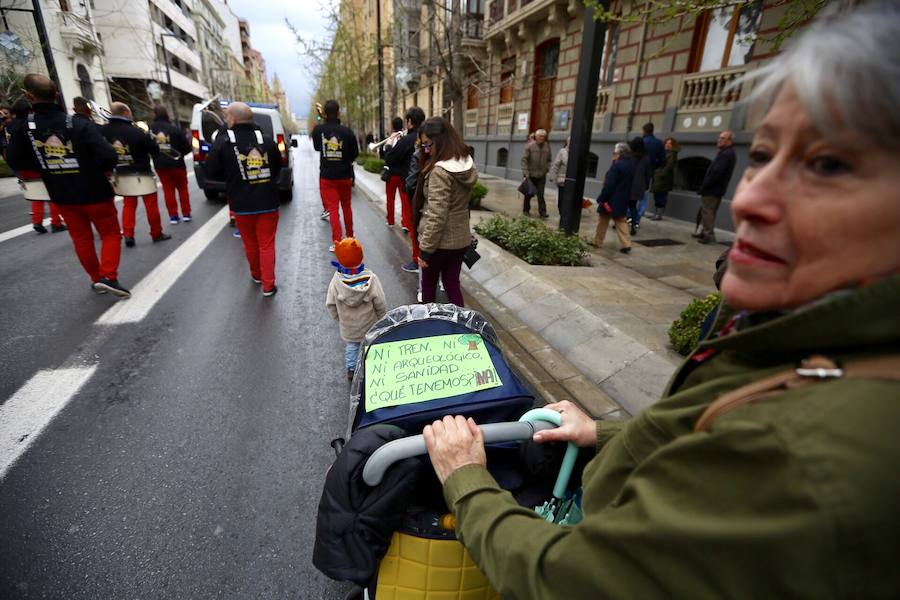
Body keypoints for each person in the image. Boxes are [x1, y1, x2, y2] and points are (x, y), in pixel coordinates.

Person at [422, 5, 900, 598]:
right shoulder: (792, 334)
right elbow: (700, 429)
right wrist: (606, 432)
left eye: (827, 165)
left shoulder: (797, 456)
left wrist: (466, 478)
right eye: (763, 155)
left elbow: (567, 581)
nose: (751, 198)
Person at [6, 74, 128, 297]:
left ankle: (96, 279)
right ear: (57, 95)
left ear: (29, 96)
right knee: (110, 234)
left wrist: (45, 165)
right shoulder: (80, 124)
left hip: (61, 195)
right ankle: (109, 276)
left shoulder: (25, 129)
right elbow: (108, 156)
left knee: (81, 238)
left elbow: (15, 160)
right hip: (96, 192)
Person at [206, 102, 282, 297]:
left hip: (241, 204)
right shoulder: (267, 141)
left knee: (250, 243)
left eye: (226, 117)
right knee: (266, 244)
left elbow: (211, 171)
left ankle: (256, 275)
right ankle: (268, 285)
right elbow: (276, 169)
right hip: (268, 202)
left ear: (232, 119)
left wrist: (233, 179)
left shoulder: (223, 143)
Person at [416, 117, 477, 306]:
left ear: (439, 140)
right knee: (452, 284)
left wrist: (425, 250)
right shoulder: (464, 163)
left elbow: (437, 214)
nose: (427, 149)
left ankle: (430, 328)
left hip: (438, 243)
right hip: (460, 240)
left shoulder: (440, 172)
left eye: (428, 144)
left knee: (428, 289)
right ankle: (460, 328)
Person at [101, 102, 170, 247]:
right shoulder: (137, 131)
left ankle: (128, 234)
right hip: (142, 173)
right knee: (151, 205)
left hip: (120, 173)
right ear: (126, 113)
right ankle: (156, 233)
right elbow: (155, 150)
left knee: (128, 205)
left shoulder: (103, 131)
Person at [325, 237, 387, 381]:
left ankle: (351, 369)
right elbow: (380, 301)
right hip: (369, 323)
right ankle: (371, 366)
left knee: (352, 347)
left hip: (348, 325)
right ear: (360, 256)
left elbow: (330, 303)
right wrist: (382, 316)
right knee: (369, 345)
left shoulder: (336, 282)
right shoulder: (371, 279)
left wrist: (338, 317)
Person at [5, 98, 66, 234]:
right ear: (30, 110)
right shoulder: (30, 125)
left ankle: (37, 222)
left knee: (36, 193)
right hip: (33, 164)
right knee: (52, 192)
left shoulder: (10, 126)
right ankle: (56, 222)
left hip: (18, 166)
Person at [312, 99, 359, 252]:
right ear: (339, 112)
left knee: (333, 209)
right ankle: (350, 237)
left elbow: (317, 147)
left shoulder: (319, 130)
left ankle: (337, 241)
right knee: (346, 206)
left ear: (325, 113)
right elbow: (355, 154)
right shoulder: (347, 132)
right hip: (345, 175)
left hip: (327, 176)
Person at [385, 106, 426, 273]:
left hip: (411, 189)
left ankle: (417, 260)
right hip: (427, 188)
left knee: (414, 226)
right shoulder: (428, 138)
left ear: (409, 122)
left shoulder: (407, 140)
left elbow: (390, 159)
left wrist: (388, 145)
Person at [150, 105, 192, 224]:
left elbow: (149, 147)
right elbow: (186, 147)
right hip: (177, 163)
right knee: (182, 189)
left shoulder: (151, 130)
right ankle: (186, 213)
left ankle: (173, 216)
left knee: (168, 190)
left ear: (155, 114)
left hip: (161, 165)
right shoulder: (175, 129)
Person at [694, 130, 736, 244]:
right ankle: (704, 232)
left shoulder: (727, 154)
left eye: (722, 138)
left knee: (708, 212)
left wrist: (704, 185)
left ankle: (708, 235)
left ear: (729, 141)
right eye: (719, 137)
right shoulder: (726, 152)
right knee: (707, 211)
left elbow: (716, 173)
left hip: (713, 189)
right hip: (716, 188)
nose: (719, 140)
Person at [593, 142, 634, 254]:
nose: (613, 155)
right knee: (621, 221)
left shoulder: (616, 165)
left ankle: (598, 241)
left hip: (610, 199)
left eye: (614, 153)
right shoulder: (631, 164)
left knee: (603, 221)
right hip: (623, 198)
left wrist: (602, 198)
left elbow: (609, 184)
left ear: (620, 153)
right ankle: (626, 244)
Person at [381, 116, 406, 227]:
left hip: (391, 174)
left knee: (390, 199)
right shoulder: (405, 138)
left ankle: (390, 221)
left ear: (392, 126)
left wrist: (387, 145)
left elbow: (385, 156)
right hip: (402, 174)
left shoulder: (390, 139)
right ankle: (405, 222)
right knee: (404, 199)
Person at [521, 128, 551, 218]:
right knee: (529, 194)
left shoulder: (547, 146)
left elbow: (549, 160)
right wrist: (526, 173)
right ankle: (526, 210)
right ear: (536, 137)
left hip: (542, 175)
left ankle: (543, 212)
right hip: (531, 174)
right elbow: (524, 160)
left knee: (541, 195)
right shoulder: (529, 146)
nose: (542, 138)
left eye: (543, 136)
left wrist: (547, 169)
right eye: (540, 136)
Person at [627, 136, 652, 235]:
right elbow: (648, 174)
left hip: (628, 184)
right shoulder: (646, 159)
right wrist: (646, 185)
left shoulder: (629, 157)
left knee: (623, 205)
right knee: (633, 206)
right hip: (639, 186)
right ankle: (633, 225)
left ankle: (619, 224)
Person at [649, 137, 679, 220]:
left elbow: (669, 167)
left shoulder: (672, 154)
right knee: (657, 195)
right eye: (666, 143)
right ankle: (656, 213)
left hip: (664, 179)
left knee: (661, 196)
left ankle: (659, 214)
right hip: (658, 178)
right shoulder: (663, 153)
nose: (667, 145)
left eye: (669, 143)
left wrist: (660, 174)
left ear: (673, 145)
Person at [550, 136, 569, 226]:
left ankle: (566, 217)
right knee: (561, 201)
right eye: (570, 142)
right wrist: (553, 176)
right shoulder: (563, 152)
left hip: (572, 182)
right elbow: (556, 165)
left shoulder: (577, 152)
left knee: (569, 201)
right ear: (567, 142)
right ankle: (562, 216)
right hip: (562, 181)